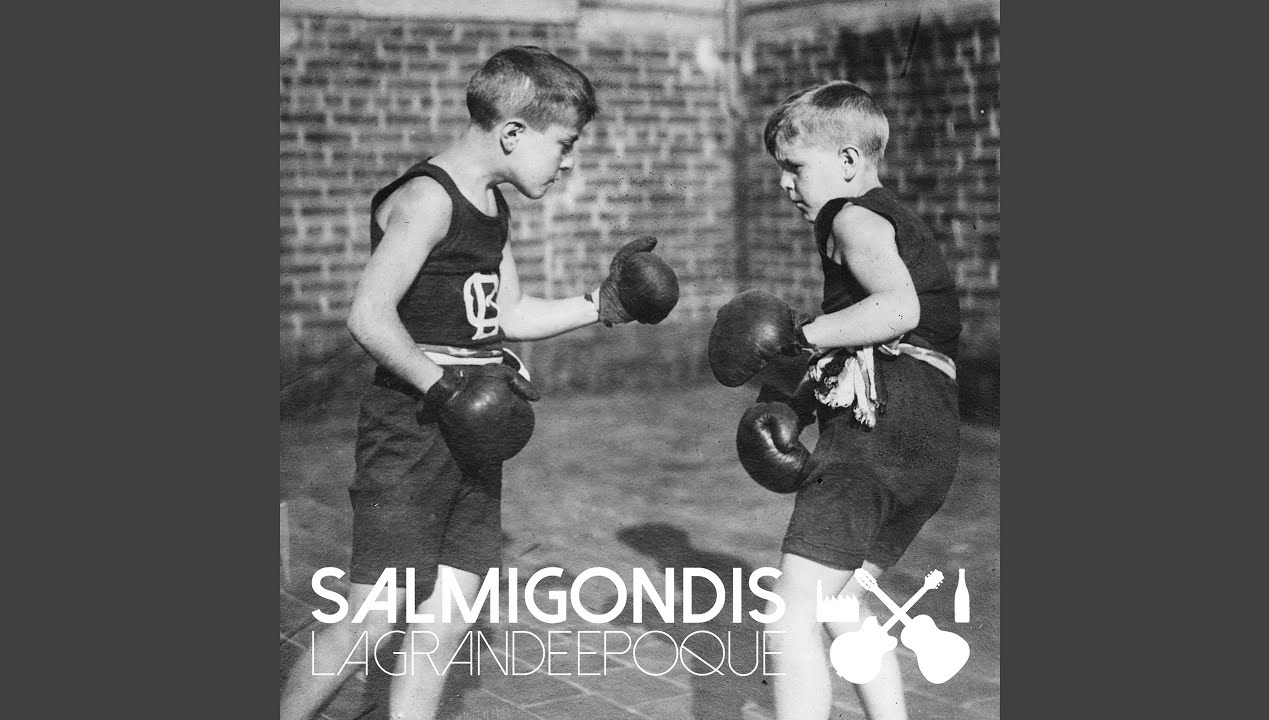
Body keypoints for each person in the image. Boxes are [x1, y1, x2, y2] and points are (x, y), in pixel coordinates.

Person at [280, 45, 679, 720]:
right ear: (513, 133)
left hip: (473, 430)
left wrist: (602, 302)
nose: (569, 162)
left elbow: (510, 315)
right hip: (412, 430)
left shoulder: (491, 206)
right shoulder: (427, 199)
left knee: (452, 611)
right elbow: (368, 316)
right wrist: (445, 389)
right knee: (372, 616)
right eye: (565, 144)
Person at [707, 80, 962, 720]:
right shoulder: (891, 218)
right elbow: (875, 337)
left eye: (795, 167)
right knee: (842, 603)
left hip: (879, 431)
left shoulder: (851, 217)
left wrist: (799, 336)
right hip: (930, 440)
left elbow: (897, 310)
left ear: (848, 161)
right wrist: (793, 401)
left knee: (789, 613)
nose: (785, 184)